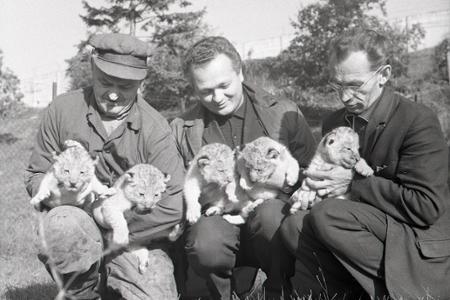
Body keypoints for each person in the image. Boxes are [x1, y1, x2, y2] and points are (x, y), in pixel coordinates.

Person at [281, 28, 450, 299]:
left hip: (412, 233)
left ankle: (403, 290)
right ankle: (336, 292)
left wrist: (353, 183)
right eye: (337, 85)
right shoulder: (334, 123)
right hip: (356, 226)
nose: (345, 97)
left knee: (328, 215)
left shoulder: (417, 120)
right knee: (294, 224)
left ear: (384, 75)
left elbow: (425, 207)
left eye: (355, 86)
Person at [25, 33, 185, 300]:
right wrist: (56, 196)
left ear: (141, 83)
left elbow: (172, 205)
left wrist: (114, 223)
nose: (113, 94)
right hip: (77, 218)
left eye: (125, 87)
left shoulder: (156, 130)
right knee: (62, 224)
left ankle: (113, 272)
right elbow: (36, 173)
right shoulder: (62, 109)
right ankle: (82, 291)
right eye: (105, 82)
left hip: (133, 234)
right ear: (92, 67)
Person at [170, 36, 316, 300]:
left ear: (240, 72)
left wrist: (281, 183)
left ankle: (280, 289)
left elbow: (310, 170)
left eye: (224, 85)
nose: (217, 97)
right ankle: (220, 293)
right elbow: (181, 190)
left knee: (273, 217)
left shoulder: (283, 112)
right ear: (193, 88)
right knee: (205, 242)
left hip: (268, 216)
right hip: (218, 216)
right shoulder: (181, 128)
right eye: (205, 91)